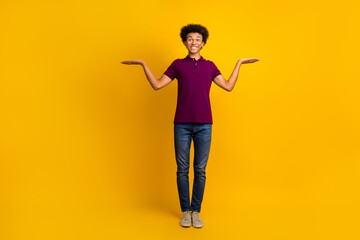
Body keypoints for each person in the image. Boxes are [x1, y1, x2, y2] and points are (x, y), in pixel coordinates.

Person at [121, 23, 259, 228]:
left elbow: (228, 86)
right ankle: (186, 211)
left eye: (197, 39)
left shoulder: (210, 66)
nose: (193, 42)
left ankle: (196, 211)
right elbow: (157, 85)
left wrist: (239, 63)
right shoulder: (177, 64)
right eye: (190, 39)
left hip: (205, 125)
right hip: (182, 125)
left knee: (200, 170)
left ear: (203, 43)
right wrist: (143, 64)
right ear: (185, 42)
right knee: (182, 169)